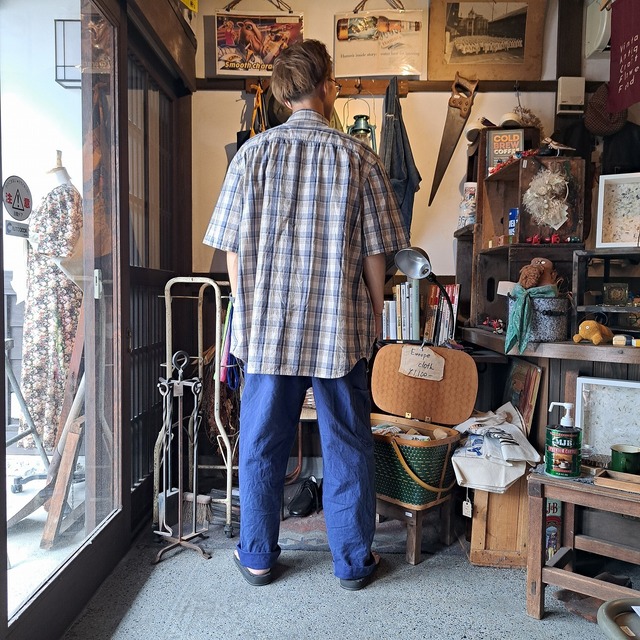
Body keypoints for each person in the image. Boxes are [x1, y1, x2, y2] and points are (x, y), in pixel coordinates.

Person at [203, 39, 409, 590]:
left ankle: (256, 556)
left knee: (261, 442)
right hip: (337, 327)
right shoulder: (359, 157)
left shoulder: (252, 155)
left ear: (282, 93)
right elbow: (376, 254)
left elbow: (232, 249)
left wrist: (246, 308)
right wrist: (374, 312)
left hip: (267, 327)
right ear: (327, 87)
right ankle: (353, 563)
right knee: (347, 444)